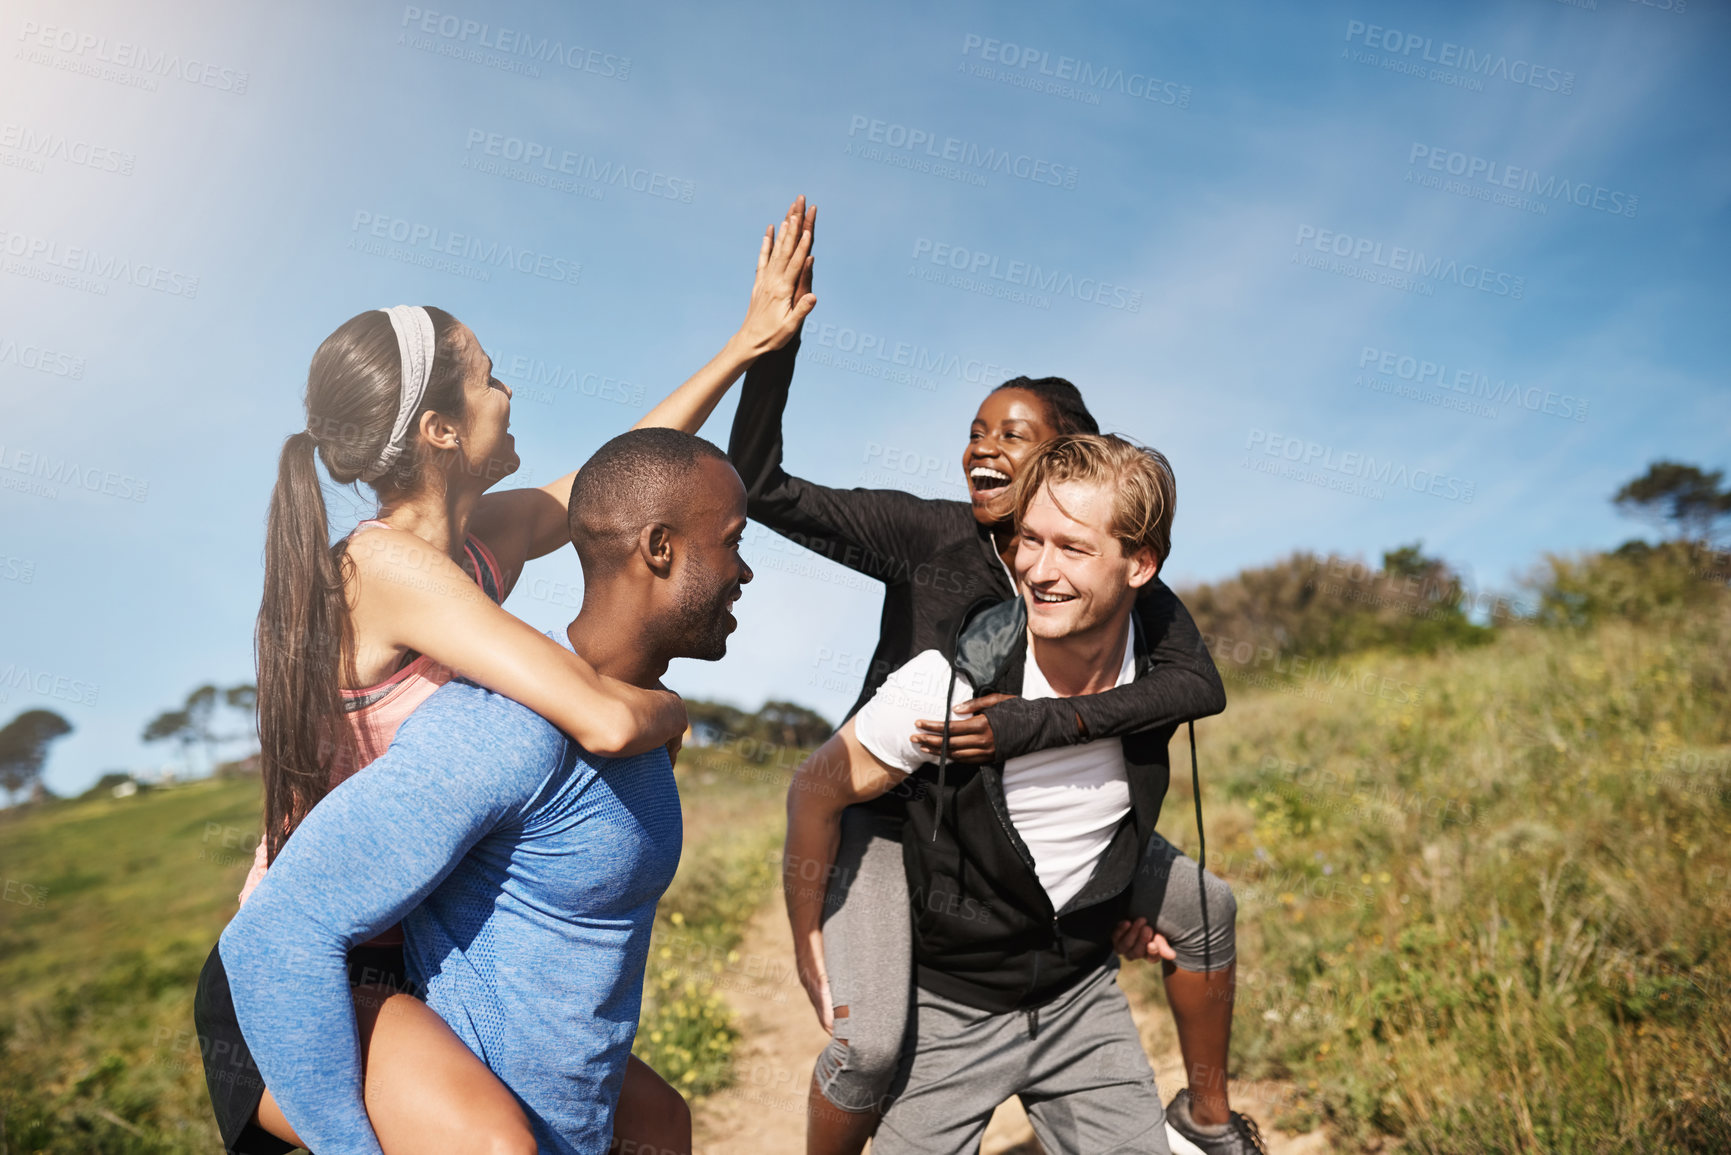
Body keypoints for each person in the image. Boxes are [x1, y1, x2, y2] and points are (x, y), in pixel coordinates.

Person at [194, 203, 814, 1155]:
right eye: (489, 375)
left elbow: (621, 489)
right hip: (309, 965)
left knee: (654, 1127)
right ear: (441, 428)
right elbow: (601, 716)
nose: (510, 389)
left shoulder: (481, 548)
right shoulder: (384, 569)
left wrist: (742, 347)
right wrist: (670, 708)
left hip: (407, 951)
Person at [727, 208, 1237, 1153]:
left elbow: (1187, 690)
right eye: (974, 431)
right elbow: (759, 487)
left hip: (1036, 814)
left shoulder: (1125, 584)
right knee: (871, 1042)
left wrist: (1103, 857)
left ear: (1073, 457)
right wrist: (772, 348)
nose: (982, 448)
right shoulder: (926, 537)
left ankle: (1207, 1118)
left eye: (1013, 433)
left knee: (1203, 907)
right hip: (899, 808)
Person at [219, 427, 753, 1155]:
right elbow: (273, 932)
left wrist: (747, 348)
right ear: (659, 546)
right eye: (732, 539)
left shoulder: (639, 728)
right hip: (370, 1048)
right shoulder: (506, 728)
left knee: (664, 1122)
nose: (745, 570)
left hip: (569, 1122)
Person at [785, 434, 1266, 1155]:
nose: (1038, 571)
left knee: (1206, 904)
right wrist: (807, 937)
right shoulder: (940, 690)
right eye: (1029, 541)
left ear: (1140, 564)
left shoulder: (1160, 674)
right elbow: (815, 792)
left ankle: (1206, 1121)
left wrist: (1115, 913)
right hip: (952, 1015)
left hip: (1081, 1007)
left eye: (1071, 548)